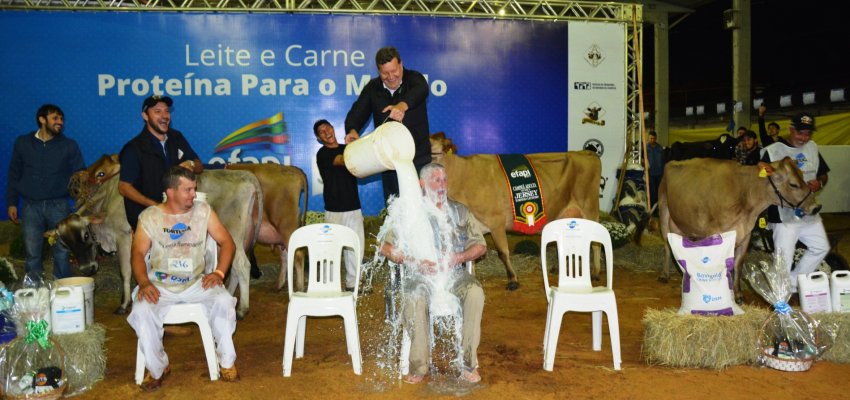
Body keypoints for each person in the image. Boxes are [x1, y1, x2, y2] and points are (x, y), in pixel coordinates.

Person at [127, 166, 239, 391]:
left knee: (224, 301)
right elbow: (137, 253)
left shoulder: (203, 211)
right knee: (141, 311)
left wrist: (219, 272)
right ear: (171, 192)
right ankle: (158, 369)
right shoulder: (150, 217)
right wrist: (144, 282)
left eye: (194, 189)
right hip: (160, 284)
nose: (193, 195)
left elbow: (227, 242)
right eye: (188, 190)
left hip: (196, 281)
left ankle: (226, 362)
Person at [380, 163, 487, 384]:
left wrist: (458, 257)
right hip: (420, 276)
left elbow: (481, 246)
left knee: (475, 291)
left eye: (444, 180)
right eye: (436, 180)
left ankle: (468, 363)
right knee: (414, 296)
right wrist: (413, 261)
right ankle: (419, 365)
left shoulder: (459, 211)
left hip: (453, 275)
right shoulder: (410, 213)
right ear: (422, 183)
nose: (442, 185)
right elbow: (385, 247)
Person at [6, 104, 85, 279]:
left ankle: (62, 288)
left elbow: (80, 175)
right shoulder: (23, 143)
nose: (60, 122)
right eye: (55, 118)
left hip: (59, 206)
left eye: (62, 119)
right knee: (32, 253)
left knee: (62, 252)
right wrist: (12, 202)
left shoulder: (69, 145)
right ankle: (35, 290)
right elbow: (14, 174)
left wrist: (81, 202)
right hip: (30, 206)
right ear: (42, 119)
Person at [344, 46, 431, 205]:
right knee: (394, 208)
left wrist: (402, 105)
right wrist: (352, 130)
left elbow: (422, 89)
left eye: (394, 71)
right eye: (385, 73)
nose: (391, 77)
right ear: (378, 70)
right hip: (389, 162)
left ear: (401, 64)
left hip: (419, 159)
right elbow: (357, 112)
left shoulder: (414, 79)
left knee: (422, 206)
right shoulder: (372, 88)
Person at [760, 113, 830, 293]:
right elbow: (760, 179)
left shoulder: (812, 148)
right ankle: (780, 298)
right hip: (783, 214)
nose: (804, 138)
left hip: (808, 211)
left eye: (808, 134)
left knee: (821, 247)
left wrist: (819, 183)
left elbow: (823, 174)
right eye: (800, 133)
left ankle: (791, 284)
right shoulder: (773, 151)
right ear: (791, 130)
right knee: (783, 260)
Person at [119, 95, 203, 231]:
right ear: (145, 116)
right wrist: (157, 206)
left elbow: (199, 165)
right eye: (157, 111)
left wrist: (191, 165)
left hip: (179, 217)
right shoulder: (134, 149)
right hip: (149, 221)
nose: (164, 116)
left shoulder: (176, 137)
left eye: (167, 111)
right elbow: (124, 187)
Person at [314, 119, 365, 291]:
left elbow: (361, 167)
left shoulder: (347, 148)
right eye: (321, 132)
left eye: (327, 128)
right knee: (330, 249)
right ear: (319, 138)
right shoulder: (322, 154)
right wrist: (357, 147)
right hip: (334, 210)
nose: (326, 132)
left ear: (333, 128)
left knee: (355, 247)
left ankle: (353, 284)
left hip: (354, 207)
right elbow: (343, 160)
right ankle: (328, 285)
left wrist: (357, 147)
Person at [645, 131, 665, 210]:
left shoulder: (660, 148)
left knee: (659, 191)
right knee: (652, 191)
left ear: (656, 138)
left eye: (654, 138)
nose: (652, 140)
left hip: (659, 173)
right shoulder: (645, 148)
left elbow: (663, 160)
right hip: (650, 174)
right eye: (651, 138)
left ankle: (659, 207)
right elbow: (642, 159)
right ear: (648, 138)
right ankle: (652, 208)